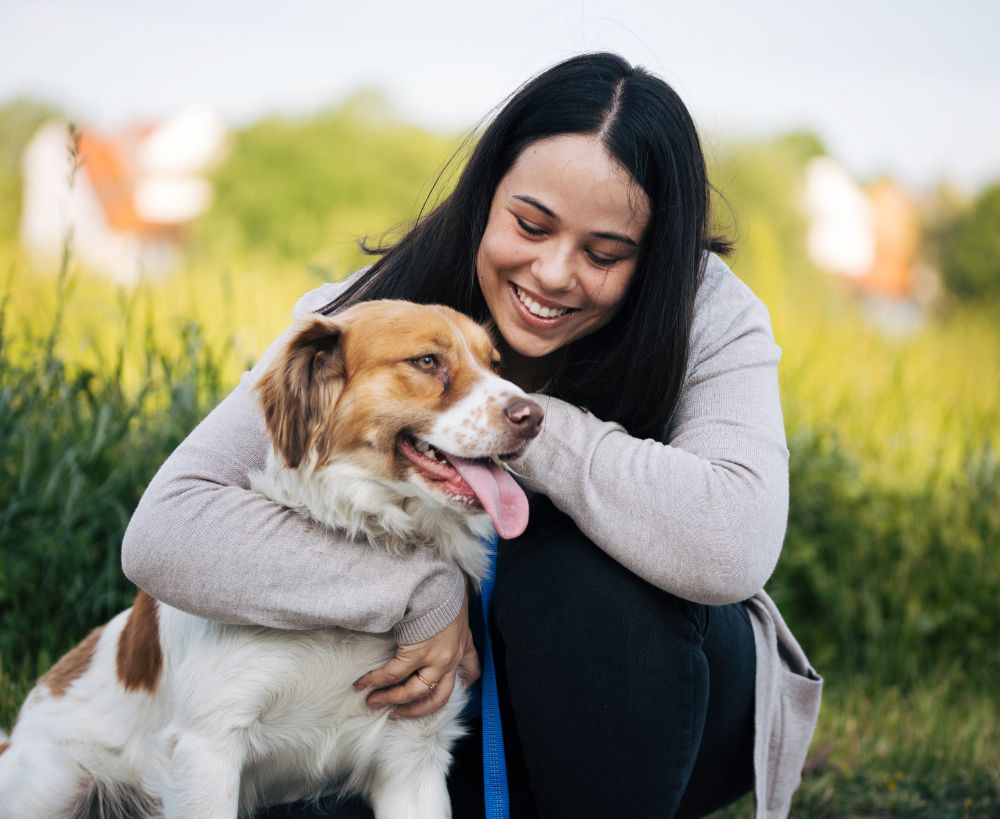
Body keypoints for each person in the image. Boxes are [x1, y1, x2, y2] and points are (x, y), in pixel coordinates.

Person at [122, 52, 822, 818]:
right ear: (485, 195)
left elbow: (732, 543)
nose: (553, 273)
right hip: (420, 715)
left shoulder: (711, 315)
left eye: (604, 254)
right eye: (529, 224)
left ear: (655, 255)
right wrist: (421, 591)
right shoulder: (364, 315)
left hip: (659, 709)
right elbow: (167, 529)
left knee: (578, 582)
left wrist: (520, 424)